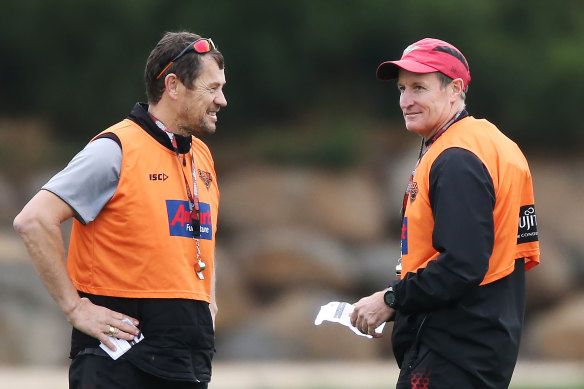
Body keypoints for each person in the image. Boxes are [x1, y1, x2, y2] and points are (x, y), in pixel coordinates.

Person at [13, 31, 227, 388]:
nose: (222, 100)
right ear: (173, 86)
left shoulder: (201, 157)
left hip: (186, 361)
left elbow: (201, 241)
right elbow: (33, 220)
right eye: (212, 88)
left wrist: (210, 302)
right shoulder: (116, 150)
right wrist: (75, 308)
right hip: (119, 364)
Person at [350, 38, 540, 389]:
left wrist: (391, 299)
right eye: (402, 88)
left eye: (419, 87)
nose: (406, 101)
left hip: (452, 351)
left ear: (455, 89)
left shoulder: (456, 158)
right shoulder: (493, 143)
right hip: (485, 342)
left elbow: (462, 264)